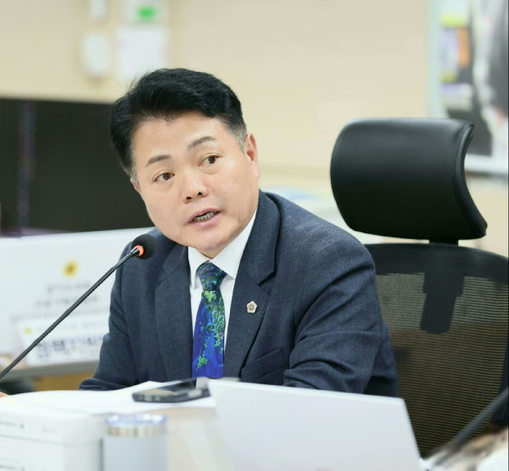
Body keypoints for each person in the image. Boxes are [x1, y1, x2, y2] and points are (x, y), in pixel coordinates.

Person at [79, 68, 397, 395]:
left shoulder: (326, 261)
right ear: (140, 190)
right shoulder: (142, 265)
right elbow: (110, 391)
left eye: (209, 159)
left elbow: (311, 407)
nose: (192, 189)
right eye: (164, 176)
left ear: (250, 155)